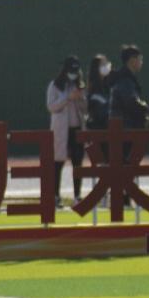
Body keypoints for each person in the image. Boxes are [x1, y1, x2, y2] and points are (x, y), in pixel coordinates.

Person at [47, 55, 87, 206]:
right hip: (61, 130)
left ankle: (77, 195)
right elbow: (51, 106)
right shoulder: (55, 86)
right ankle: (55, 195)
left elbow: (85, 109)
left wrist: (80, 98)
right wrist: (67, 97)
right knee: (57, 163)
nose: (73, 74)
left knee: (78, 163)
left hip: (77, 129)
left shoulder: (80, 85)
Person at [109, 45, 149, 131]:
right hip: (125, 130)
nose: (141, 62)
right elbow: (131, 102)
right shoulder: (124, 80)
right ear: (132, 60)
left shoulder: (126, 78)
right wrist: (145, 108)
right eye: (140, 59)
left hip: (124, 127)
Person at [85, 54, 113, 131]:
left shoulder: (108, 87)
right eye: (103, 64)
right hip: (98, 131)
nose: (107, 66)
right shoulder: (93, 91)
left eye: (107, 63)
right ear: (96, 68)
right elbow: (98, 115)